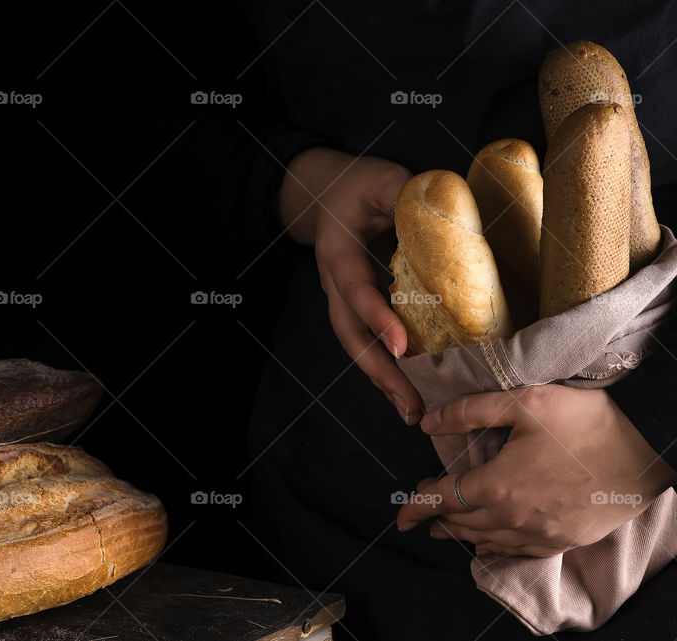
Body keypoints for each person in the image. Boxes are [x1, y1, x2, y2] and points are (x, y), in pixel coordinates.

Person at [155, 1, 677, 638]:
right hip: (327, 514)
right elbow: (150, 111)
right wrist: (310, 187)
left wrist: (649, 434)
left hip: (654, 550)